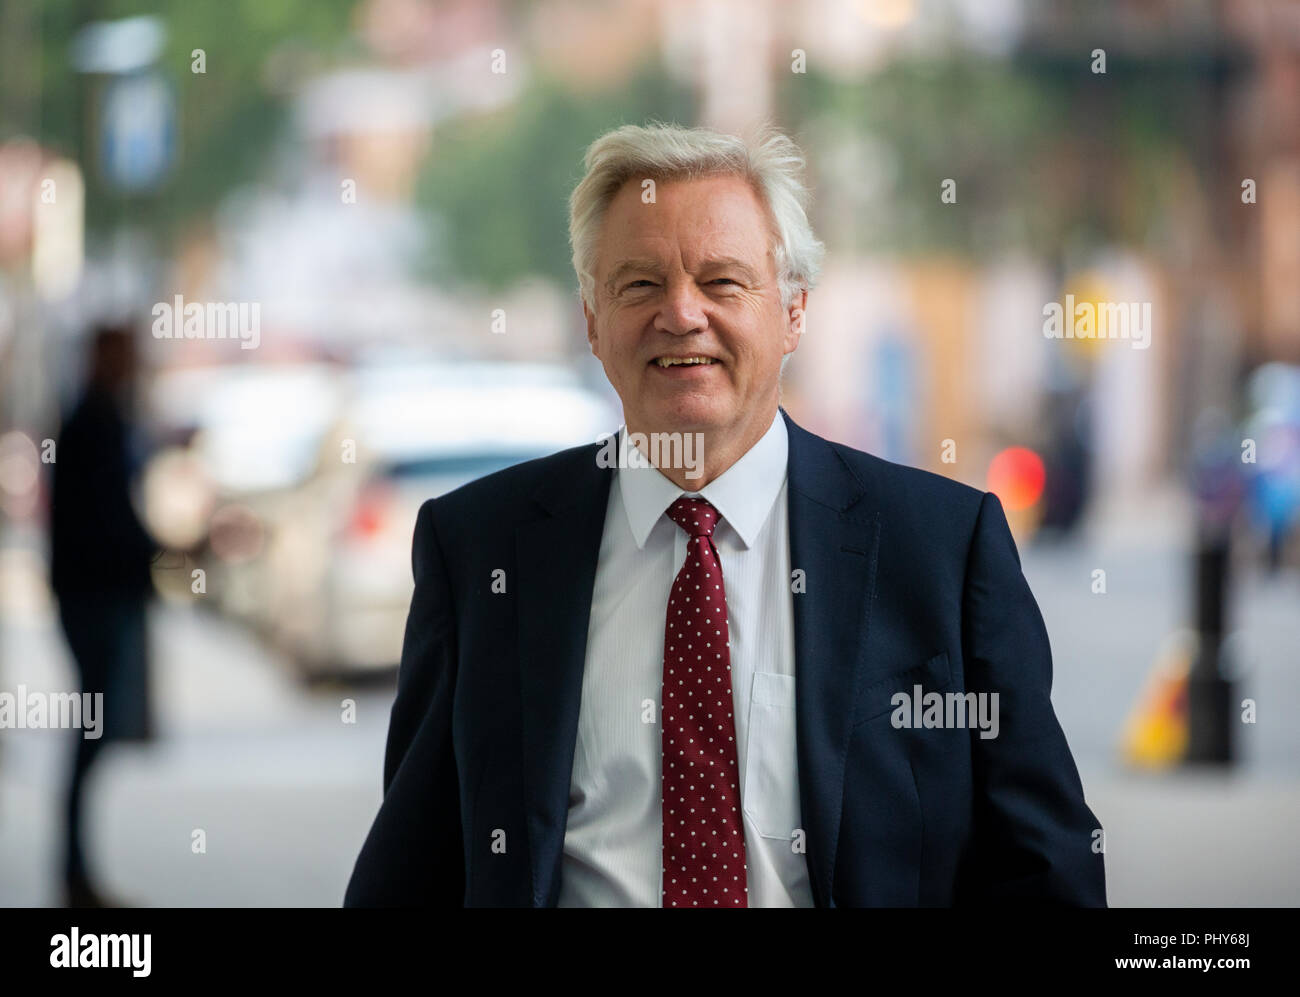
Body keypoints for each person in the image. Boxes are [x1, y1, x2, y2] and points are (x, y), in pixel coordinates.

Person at [345, 122, 1106, 907]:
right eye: (638, 284)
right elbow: (412, 868)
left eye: (722, 282)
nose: (681, 314)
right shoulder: (480, 550)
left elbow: (1047, 864)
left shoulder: (943, 550)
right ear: (592, 321)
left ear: (794, 312)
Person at [49, 324, 157, 908]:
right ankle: (73, 873)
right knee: (89, 740)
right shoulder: (94, 422)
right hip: (94, 598)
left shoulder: (98, 418)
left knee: (90, 740)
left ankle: (74, 871)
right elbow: (105, 522)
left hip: (90, 595)